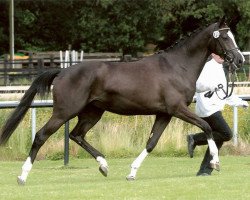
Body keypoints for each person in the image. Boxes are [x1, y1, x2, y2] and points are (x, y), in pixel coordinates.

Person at [187, 53, 249, 176]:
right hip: (208, 108)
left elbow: (225, 92)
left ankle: (204, 171)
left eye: (223, 55)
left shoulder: (220, 69)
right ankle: (195, 139)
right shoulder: (207, 67)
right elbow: (197, 85)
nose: (222, 56)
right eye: (219, 54)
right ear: (213, 54)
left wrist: (240, 102)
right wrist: (212, 86)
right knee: (226, 134)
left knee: (218, 138)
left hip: (215, 108)